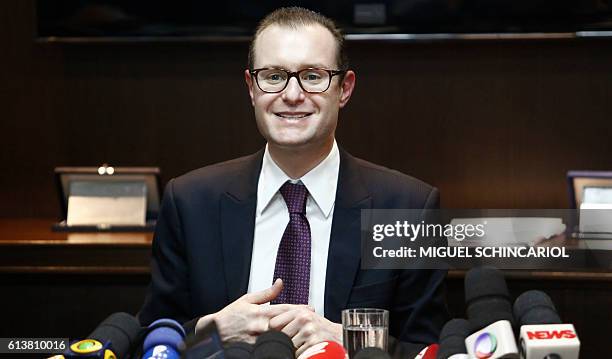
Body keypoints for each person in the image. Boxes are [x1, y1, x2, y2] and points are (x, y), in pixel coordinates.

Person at [138, 7, 447, 357]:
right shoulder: (190, 202)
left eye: (313, 76)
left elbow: (429, 350)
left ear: (344, 89)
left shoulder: (408, 208)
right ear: (251, 88)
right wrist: (213, 330)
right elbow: (151, 340)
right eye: (273, 76)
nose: (292, 94)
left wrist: (349, 338)